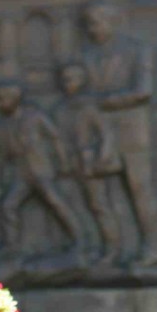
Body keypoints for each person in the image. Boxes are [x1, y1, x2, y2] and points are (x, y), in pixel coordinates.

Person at [0, 80, 83, 260]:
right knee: (8, 206)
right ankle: (12, 247)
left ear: (14, 98)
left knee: (56, 202)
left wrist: (63, 163)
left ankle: (80, 240)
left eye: (1, 99)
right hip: (20, 172)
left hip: (40, 169)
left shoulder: (35, 116)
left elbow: (55, 138)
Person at [80, 0, 157, 266]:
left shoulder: (138, 50)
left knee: (138, 189)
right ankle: (111, 250)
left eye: (95, 23)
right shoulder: (87, 55)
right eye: (88, 24)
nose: (91, 29)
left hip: (130, 130)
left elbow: (144, 91)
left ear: (112, 21)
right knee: (101, 195)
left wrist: (107, 101)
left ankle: (152, 249)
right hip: (98, 131)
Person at [51, 62, 122, 266]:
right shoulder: (59, 109)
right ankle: (86, 247)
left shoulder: (89, 107)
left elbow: (106, 135)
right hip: (69, 163)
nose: (67, 83)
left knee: (99, 206)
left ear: (82, 81)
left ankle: (112, 251)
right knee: (78, 206)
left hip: (90, 163)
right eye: (64, 79)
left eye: (72, 79)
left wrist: (102, 159)